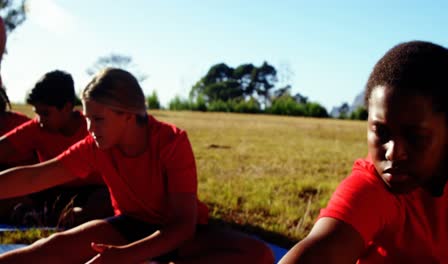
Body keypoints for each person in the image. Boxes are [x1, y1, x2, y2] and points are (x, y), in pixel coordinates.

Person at [0, 68, 274, 263]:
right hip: (127, 227)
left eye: (98, 119)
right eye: (87, 119)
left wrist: (125, 257)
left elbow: (182, 226)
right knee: (50, 249)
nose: (90, 128)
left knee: (258, 254)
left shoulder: (171, 142)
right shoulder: (96, 145)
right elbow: (36, 177)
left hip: (178, 235)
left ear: (129, 116)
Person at [280, 41, 448, 263]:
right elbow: (322, 249)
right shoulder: (374, 186)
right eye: (381, 131)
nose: (393, 153)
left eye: (415, 136)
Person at [0, 70, 112, 227]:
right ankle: (43, 216)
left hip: (91, 193)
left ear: (66, 107)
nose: (40, 120)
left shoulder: (91, 131)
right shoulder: (37, 128)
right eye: (37, 113)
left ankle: (59, 218)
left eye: (45, 113)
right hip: (50, 192)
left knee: (105, 199)